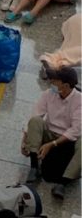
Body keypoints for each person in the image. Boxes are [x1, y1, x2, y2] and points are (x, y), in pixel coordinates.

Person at [23, 66, 80, 200]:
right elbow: (35, 115)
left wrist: (52, 144)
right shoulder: (48, 94)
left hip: (68, 139)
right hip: (49, 134)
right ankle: (34, 168)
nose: (51, 83)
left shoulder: (79, 100)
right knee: (35, 121)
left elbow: (76, 130)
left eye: (55, 81)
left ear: (65, 85)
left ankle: (63, 183)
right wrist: (25, 138)